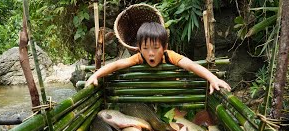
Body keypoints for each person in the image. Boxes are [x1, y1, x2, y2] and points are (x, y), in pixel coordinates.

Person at [85, 22, 231, 94]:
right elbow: (117, 65)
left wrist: (213, 78)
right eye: (145, 48)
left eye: (155, 48)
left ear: (165, 47)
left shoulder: (170, 56)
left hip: (173, 93)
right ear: (139, 48)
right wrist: (96, 75)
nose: (150, 53)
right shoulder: (139, 57)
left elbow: (192, 65)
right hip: (151, 93)